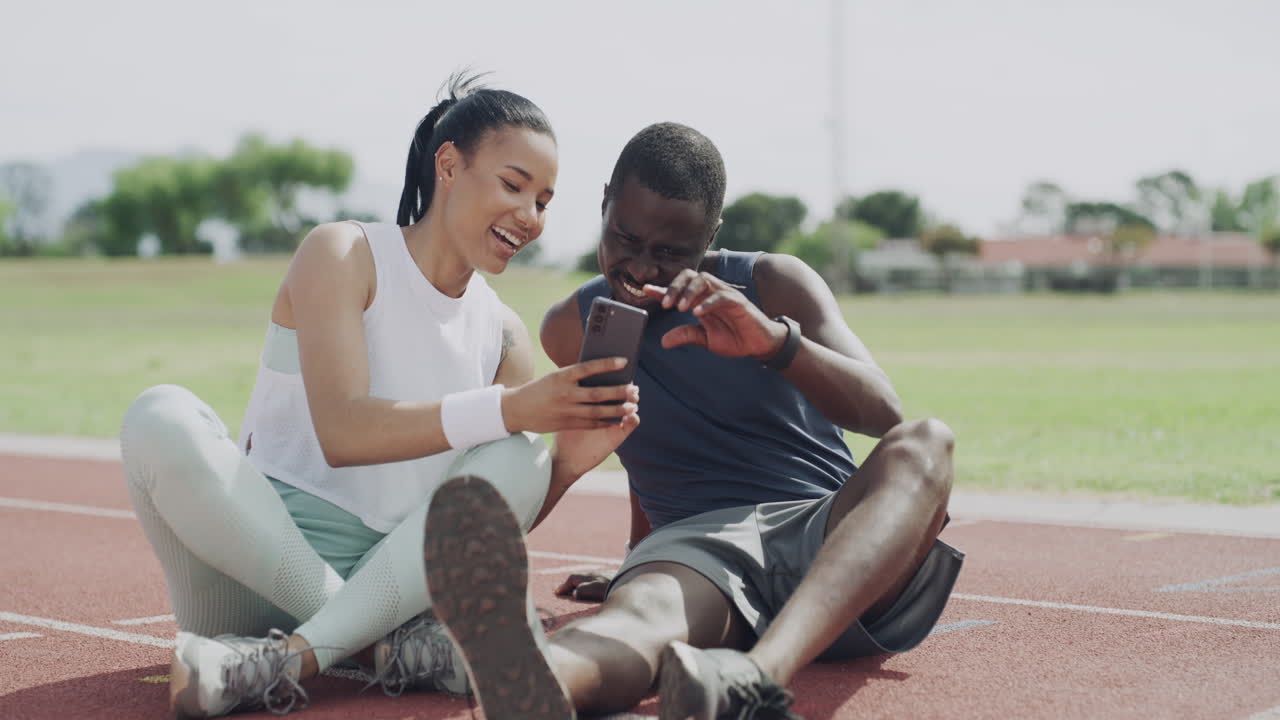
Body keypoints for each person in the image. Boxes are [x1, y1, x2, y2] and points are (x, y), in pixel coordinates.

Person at [118, 73, 638, 719]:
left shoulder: (503, 334)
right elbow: (343, 433)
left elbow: (486, 524)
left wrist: (565, 464)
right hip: (246, 575)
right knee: (159, 414)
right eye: (513, 185)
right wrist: (509, 409)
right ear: (449, 165)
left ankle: (287, 660)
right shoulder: (344, 253)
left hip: (389, 583)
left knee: (525, 455)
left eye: (545, 201)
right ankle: (377, 649)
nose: (529, 217)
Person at [424, 121, 964, 719]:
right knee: (637, 619)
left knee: (927, 442)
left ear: (711, 236)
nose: (639, 267)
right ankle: (535, 679)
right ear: (604, 203)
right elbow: (637, 438)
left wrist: (774, 344)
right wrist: (639, 552)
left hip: (832, 543)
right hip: (697, 558)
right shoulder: (570, 327)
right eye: (624, 238)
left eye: (670, 252)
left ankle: (756, 676)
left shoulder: (773, 284)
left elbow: (884, 412)